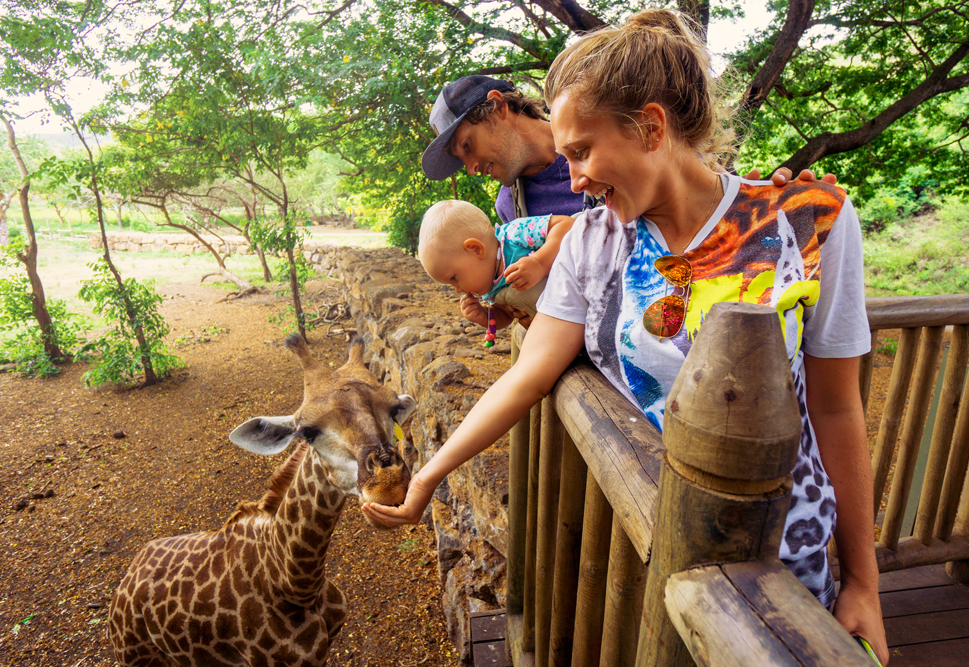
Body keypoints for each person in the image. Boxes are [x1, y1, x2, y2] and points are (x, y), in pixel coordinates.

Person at [375, 9, 888, 664]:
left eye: (583, 152)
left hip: (783, 565)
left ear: (650, 127)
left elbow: (839, 408)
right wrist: (430, 474)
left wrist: (864, 581)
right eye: (565, 158)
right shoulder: (592, 241)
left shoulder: (811, 222)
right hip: (647, 550)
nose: (577, 179)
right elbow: (528, 374)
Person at [420, 76, 837, 222]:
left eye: (468, 146)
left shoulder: (621, 144)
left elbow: (702, 200)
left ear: (497, 106)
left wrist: (773, 204)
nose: (472, 167)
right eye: (462, 161)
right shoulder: (512, 210)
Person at [418, 200, 575, 330]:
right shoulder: (491, 287)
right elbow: (505, 316)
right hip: (564, 326)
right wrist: (485, 316)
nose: (458, 290)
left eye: (454, 278)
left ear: (476, 250)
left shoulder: (514, 235)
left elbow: (567, 224)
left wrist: (540, 262)